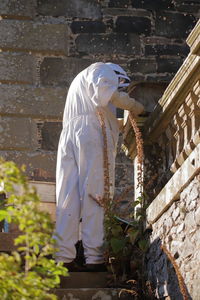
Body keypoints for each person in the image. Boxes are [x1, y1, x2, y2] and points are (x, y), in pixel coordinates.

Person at [54, 62, 144, 271]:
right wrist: (135, 106)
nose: (118, 87)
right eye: (119, 83)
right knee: (97, 194)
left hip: (68, 136)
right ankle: (95, 258)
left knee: (68, 196)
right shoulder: (102, 69)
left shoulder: (79, 80)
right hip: (92, 131)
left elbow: (102, 101)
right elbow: (108, 92)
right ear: (116, 75)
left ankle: (63, 257)